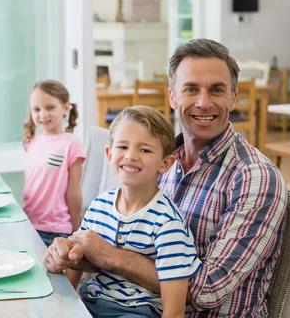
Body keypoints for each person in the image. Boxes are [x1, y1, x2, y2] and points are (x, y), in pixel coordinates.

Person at [45, 39, 287, 317]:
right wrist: (79, 256)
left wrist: (110, 256)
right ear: (172, 97)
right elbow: (129, 246)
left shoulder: (253, 178)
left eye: (217, 90)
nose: (203, 102)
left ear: (234, 97)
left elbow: (204, 292)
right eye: (191, 89)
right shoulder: (157, 163)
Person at [68, 106, 201, 318]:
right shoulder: (99, 206)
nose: (131, 156)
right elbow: (76, 257)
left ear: (165, 163)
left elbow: (174, 311)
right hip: (92, 302)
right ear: (109, 155)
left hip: (138, 311)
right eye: (122, 147)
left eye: (145, 150)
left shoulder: (168, 224)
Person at [23, 80, 85, 246]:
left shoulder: (71, 144)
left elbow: (74, 191)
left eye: (50, 107)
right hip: (29, 224)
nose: (43, 115)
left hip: (55, 230)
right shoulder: (31, 142)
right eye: (37, 109)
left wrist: (76, 226)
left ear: (65, 108)